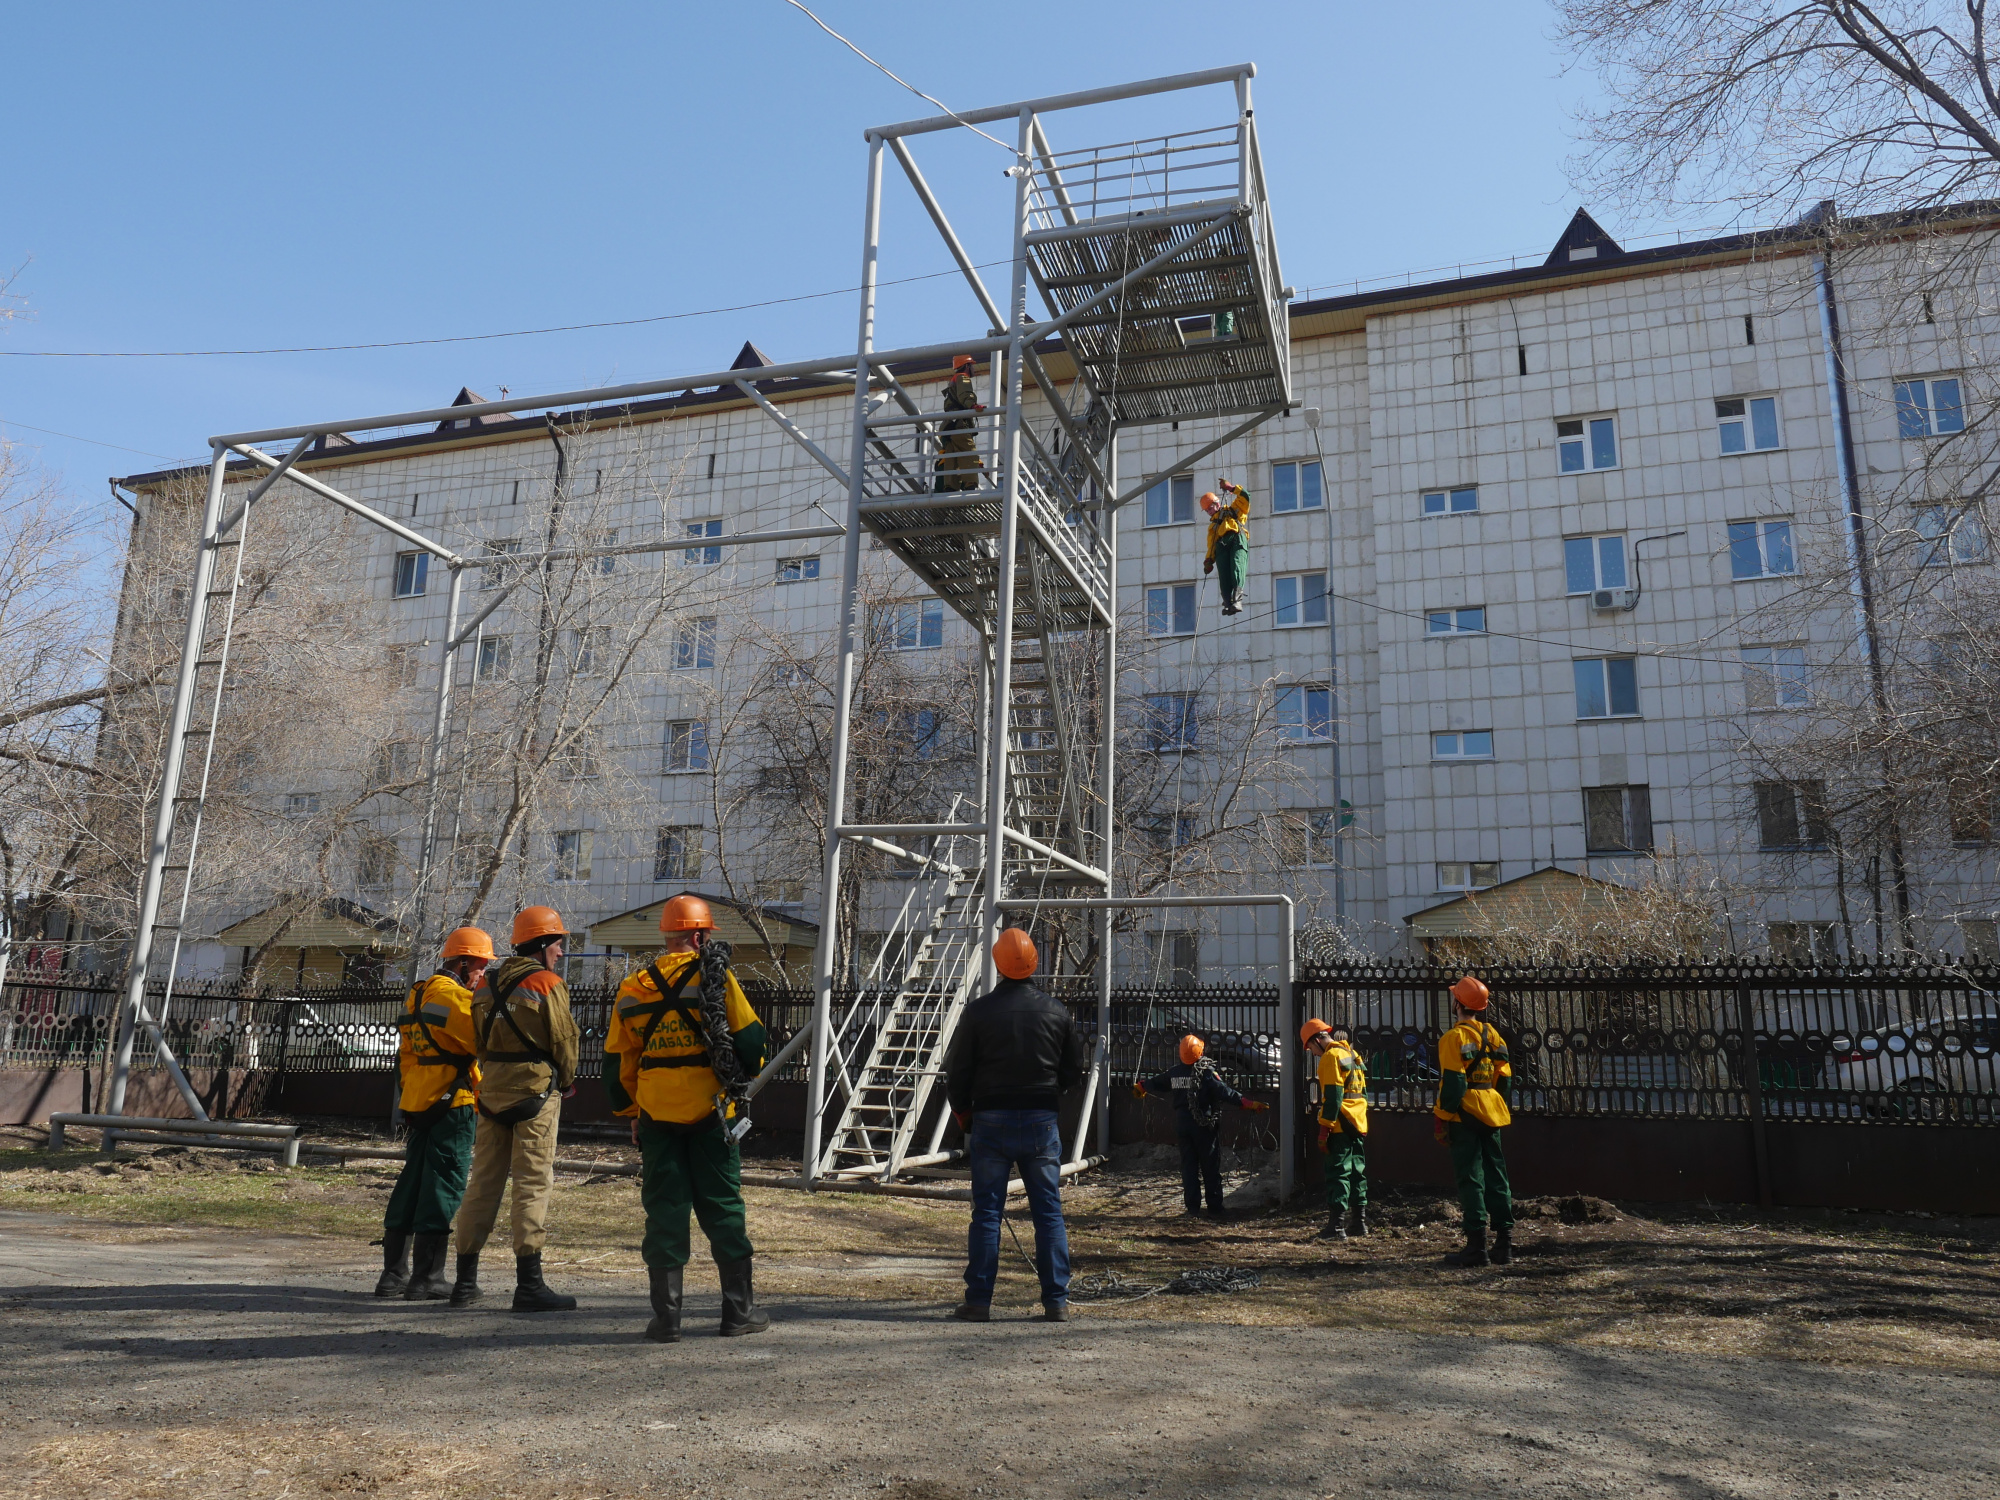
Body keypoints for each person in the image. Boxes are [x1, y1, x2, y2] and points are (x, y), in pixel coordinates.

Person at [604, 894, 771, 1342]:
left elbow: (619, 1063)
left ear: (669, 934)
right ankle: (739, 1312)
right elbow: (753, 1041)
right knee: (722, 1206)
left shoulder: (634, 985)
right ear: (699, 936)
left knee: (664, 1209)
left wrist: (633, 1112)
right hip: (713, 1112)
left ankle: (667, 1319)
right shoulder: (716, 977)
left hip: (657, 1114)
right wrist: (739, 1076)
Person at [943, 927, 1088, 1322]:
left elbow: (957, 1071)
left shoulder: (977, 1013)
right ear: (1034, 961)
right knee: (1048, 1212)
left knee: (987, 1213)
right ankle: (1056, 1301)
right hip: (1041, 1120)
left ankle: (978, 1301)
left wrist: (964, 1113)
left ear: (997, 962)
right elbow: (1074, 1070)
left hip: (990, 1120)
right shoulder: (1057, 1012)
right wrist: (1050, 1092)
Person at [449, 904, 581, 1311]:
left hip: (491, 1095)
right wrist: (568, 1079)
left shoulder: (484, 986)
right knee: (532, 1185)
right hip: (536, 1094)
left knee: (482, 1184)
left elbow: (480, 1044)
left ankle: (464, 1284)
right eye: (557, 944)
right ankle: (529, 1286)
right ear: (542, 944)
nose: (560, 952)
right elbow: (563, 1039)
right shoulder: (547, 983)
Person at [376, 926, 492, 1299]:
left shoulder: (418, 993)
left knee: (412, 1182)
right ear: (463, 962)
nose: (482, 974)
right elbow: (483, 1040)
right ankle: (427, 1278)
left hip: (418, 1100)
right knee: (444, 1183)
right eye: (480, 966)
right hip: (452, 1101)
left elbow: (407, 1055)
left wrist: (411, 1095)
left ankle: (393, 1275)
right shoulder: (454, 998)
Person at [1134, 1034, 1271, 1220]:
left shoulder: (1175, 1072)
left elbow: (1157, 1081)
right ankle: (1215, 1207)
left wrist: (1141, 1086)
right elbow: (1225, 1092)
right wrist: (1248, 1103)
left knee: (1188, 1166)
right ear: (1200, 1051)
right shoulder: (1206, 1073)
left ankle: (1192, 1208)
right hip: (1204, 1126)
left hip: (1183, 1125)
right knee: (1210, 1165)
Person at [1433, 974, 1514, 1268]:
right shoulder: (1494, 1036)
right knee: (1497, 1175)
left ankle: (1476, 1247)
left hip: (1464, 1114)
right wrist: (1496, 1103)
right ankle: (1504, 1245)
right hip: (1491, 1109)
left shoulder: (1453, 1038)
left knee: (1470, 1178)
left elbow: (1453, 1084)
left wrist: (1442, 1117)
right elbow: (1504, 1077)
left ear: (1457, 1003)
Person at [1301, 1019, 1368, 1242]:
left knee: (1338, 1174)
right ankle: (1360, 1224)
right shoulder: (1353, 1055)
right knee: (1358, 1173)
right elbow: (1363, 1093)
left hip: (1339, 1126)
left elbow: (1333, 1098)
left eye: (1310, 1047)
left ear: (1317, 1040)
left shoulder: (1331, 1057)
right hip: (1357, 1123)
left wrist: (1323, 1130)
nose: (1311, 1053)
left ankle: (1337, 1227)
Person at [934, 353, 986, 493]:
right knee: (969, 452)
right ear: (967, 366)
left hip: (948, 426)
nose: (973, 369)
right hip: (958, 424)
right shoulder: (962, 377)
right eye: (972, 366)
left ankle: (950, 485)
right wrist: (972, 405)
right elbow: (965, 394)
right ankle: (970, 483)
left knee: (952, 456)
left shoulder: (953, 379)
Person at [1200, 478, 1251, 615]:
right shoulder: (1214, 527)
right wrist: (1209, 560)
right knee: (1223, 575)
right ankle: (1228, 603)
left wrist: (1231, 488)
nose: (1209, 512)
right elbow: (1211, 546)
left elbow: (1245, 496)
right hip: (1221, 545)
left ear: (1217, 503)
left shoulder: (1234, 510)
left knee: (1236, 566)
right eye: (1207, 510)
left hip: (1236, 538)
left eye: (1210, 508)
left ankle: (1237, 600)